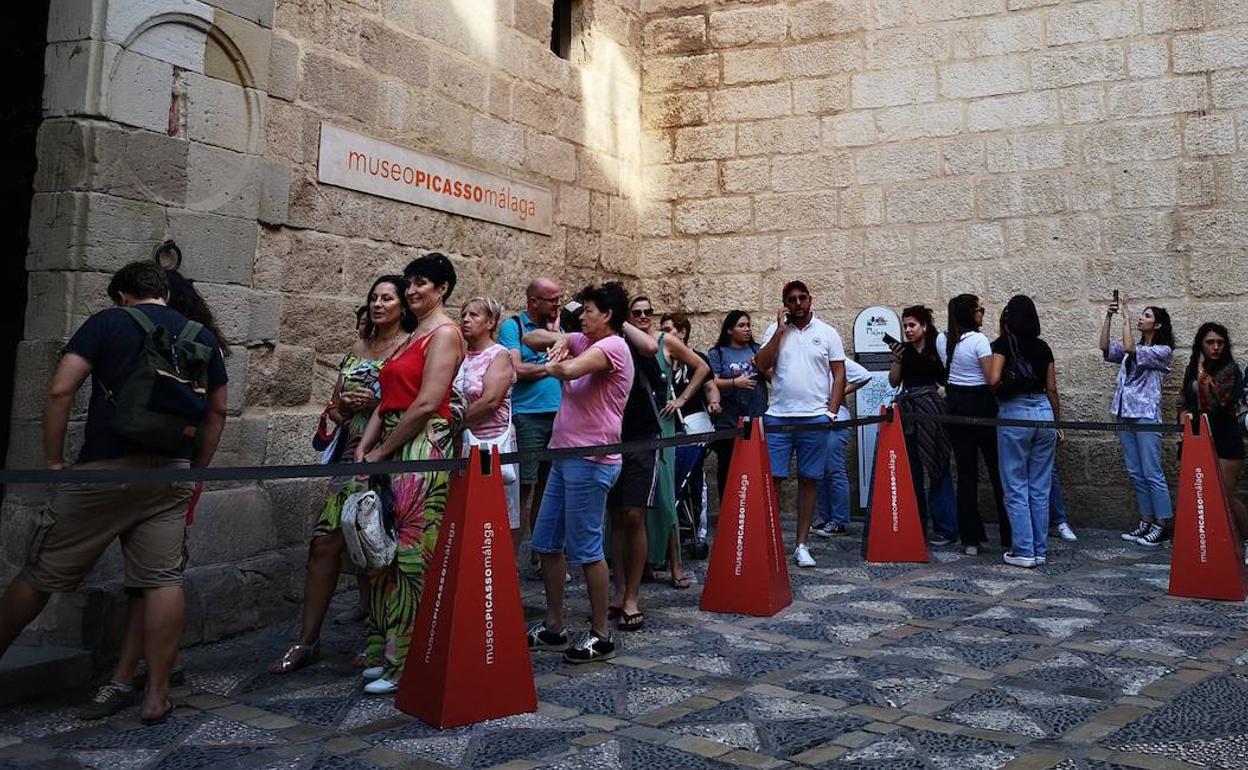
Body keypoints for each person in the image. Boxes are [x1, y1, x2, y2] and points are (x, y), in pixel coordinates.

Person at [0, 261, 228, 724]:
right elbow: (218, 412)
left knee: (41, 572)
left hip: (104, 469)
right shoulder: (200, 335)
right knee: (162, 580)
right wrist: (194, 470)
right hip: (170, 474)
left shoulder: (107, 322)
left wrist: (53, 463)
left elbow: (61, 390)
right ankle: (156, 695)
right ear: (163, 291)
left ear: (122, 294)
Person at [75, 268, 232, 718]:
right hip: (180, 468)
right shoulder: (198, 341)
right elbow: (213, 414)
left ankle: (127, 677)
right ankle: (156, 671)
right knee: (152, 579)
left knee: (150, 582)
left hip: (158, 468)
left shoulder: (169, 339)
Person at [268, 276, 413, 677]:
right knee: (324, 544)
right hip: (349, 457)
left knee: (379, 549)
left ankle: (380, 639)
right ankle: (307, 639)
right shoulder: (357, 348)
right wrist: (344, 407)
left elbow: (418, 403)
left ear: (403, 306)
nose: (379, 304)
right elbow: (332, 408)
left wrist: (379, 401)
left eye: (388, 297)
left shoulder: (411, 347)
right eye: (374, 297)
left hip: (389, 458)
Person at [355, 254, 464, 695]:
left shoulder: (444, 333)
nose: (413, 291)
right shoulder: (412, 335)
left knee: (411, 553)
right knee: (381, 546)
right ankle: (384, 647)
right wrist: (366, 446)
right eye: (410, 284)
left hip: (424, 446)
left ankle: (406, 658)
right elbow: (390, 396)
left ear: (442, 289)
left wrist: (382, 448)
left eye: (422, 284)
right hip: (396, 444)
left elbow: (426, 401)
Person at [521, 283, 634, 663]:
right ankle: (555, 628)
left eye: (588, 310)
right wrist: (559, 341)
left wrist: (551, 361)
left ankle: (602, 634)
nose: (581, 316)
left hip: (593, 459)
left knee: (586, 550)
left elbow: (569, 372)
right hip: (564, 455)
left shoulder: (613, 347)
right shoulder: (583, 340)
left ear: (608, 316)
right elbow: (531, 336)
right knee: (547, 543)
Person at [754, 280, 847, 568]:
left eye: (801, 298)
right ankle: (770, 541)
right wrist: (780, 332)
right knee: (773, 481)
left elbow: (839, 373)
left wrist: (830, 413)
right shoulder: (775, 331)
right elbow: (761, 364)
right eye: (791, 299)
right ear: (785, 303)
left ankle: (802, 545)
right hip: (779, 416)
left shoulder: (827, 333)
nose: (797, 303)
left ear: (810, 300)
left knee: (809, 480)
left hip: (814, 417)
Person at [631, 298, 710, 591]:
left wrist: (681, 399)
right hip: (633, 428)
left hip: (661, 424)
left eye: (647, 312)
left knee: (665, 496)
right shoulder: (625, 341)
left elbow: (701, 368)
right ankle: (647, 563)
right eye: (636, 312)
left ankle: (676, 565)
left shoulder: (665, 341)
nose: (642, 316)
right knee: (638, 499)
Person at [987, 295, 1061, 568]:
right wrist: (1058, 422)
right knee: (1040, 486)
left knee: (1015, 484)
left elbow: (994, 379)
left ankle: (1023, 550)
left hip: (1015, 412)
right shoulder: (1044, 347)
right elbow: (1052, 388)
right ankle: (1040, 550)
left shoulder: (1003, 344)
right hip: (1043, 412)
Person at [498, 279, 563, 574]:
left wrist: (553, 337)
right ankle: (509, 561)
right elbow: (516, 370)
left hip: (560, 417)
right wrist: (551, 368)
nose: (558, 305)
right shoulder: (513, 327)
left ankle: (542, 556)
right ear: (534, 301)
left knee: (549, 491)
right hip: (528, 417)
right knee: (523, 491)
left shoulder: (558, 329)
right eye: (552, 300)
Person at [1100, 297, 1175, 547]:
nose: (1143, 318)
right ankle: (1146, 519)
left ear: (1158, 325)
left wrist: (1128, 318)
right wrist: (1110, 317)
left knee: (1152, 471)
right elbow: (1104, 347)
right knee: (1136, 472)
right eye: (1142, 315)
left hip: (1146, 414)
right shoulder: (1133, 347)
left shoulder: (1162, 352)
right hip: (1125, 412)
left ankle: (1163, 525)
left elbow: (1133, 349)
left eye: (1148, 315)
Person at [943, 293, 1009, 556]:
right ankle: (1009, 534)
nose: (982, 312)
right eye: (979, 309)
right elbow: (990, 378)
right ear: (970, 314)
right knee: (997, 472)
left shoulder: (950, 342)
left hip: (956, 407)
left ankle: (970, 538)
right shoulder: (979, 340)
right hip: (980, 405)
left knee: (967, 474)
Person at [887, 305, 955, 545]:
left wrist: (942, 392)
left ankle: (945, 527)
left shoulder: (938, 345)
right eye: (905, 325)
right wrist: (897, 360)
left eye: (912, 325)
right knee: (911, 469)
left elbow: (950, 374)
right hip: (909, 413)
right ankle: (916, 525)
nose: (908, 330)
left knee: (939, 467)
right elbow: (894, 381)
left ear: (924, 326)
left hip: (933, 412)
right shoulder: (903, 351)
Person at [456, 296, 520, 553]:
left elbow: (490, 401)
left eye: (473, 315)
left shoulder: (499, 355)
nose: (466, 320)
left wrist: (450, 425)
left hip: (489, 444)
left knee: (495, 508)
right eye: (463, 315)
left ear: (491, 322)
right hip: (463, 443)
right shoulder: (462, 355)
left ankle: (500, 566)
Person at [1179, 323, 1247, 561]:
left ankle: (1245, 539)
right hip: (1199, 438)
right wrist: (1183, 415)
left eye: (1220, 342)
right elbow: (1184, 398)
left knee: (1225, 496)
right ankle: (1221, 546)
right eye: (1210, 342)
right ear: (1201, 344)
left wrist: (1202, 374)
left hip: (1225, 437)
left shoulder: (1230, 369)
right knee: (1205, 497)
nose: (1216, 347)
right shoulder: (1193, 368)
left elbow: (1215, 403)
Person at [660, 313, 721, 554]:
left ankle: (699, 533)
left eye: (668, 329)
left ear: (682, 332)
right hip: (667, 427)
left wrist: (714, 403)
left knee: (695, 479)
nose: (663, 334)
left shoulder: (697, 359)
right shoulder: (661, 360)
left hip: (692, 423)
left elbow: (710, 387)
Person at [708, 311, 767, 499]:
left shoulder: (757, 350)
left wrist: (761, 366)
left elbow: (772, 375)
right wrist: (735, 383)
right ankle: (729, 512)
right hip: (728, 421)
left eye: (748, 325)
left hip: (756, 417)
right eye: (741, 325)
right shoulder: (717, 353)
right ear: (729, 330)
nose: (747, 329)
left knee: (755, 467)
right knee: (727, 467)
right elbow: (711, 382)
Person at [813, 358, 871, 537]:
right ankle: (825, 517)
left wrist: (839, 393)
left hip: (837, 420)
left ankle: (839, 521)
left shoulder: (837, 360)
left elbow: (863, 376)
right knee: (820, 472)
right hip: (816, 420)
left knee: (834, 469)